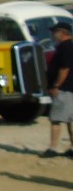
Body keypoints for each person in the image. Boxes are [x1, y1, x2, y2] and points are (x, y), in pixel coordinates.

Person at [42, 20, 73, 157]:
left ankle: (53, 148)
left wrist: (56, 85)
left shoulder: (65, 48)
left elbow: (64, 68)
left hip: (64, 89)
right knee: (70, 119)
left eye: (55, 32)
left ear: (63, 32)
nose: (53, 34)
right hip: (70, 88)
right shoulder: (69, 46)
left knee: (56, 119)